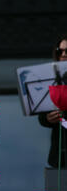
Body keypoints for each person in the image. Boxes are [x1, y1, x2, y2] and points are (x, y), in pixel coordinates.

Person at [38, 34, 67, 169]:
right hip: (60, 153)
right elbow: (42, 115)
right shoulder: (51, 78)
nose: (63, 54)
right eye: (59, 51)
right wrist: (49, 118)